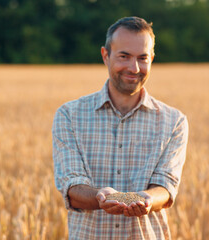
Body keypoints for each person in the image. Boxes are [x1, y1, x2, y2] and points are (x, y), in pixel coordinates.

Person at [52, 16, 188, 239]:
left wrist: (146, 199)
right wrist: (101, 196)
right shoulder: (69, 116)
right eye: (124, 56)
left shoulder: (174, 121)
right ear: (106, 56)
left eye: (142, 58)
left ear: (151, 59)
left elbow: (165, 187)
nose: (134, 68)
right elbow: (72, 188)